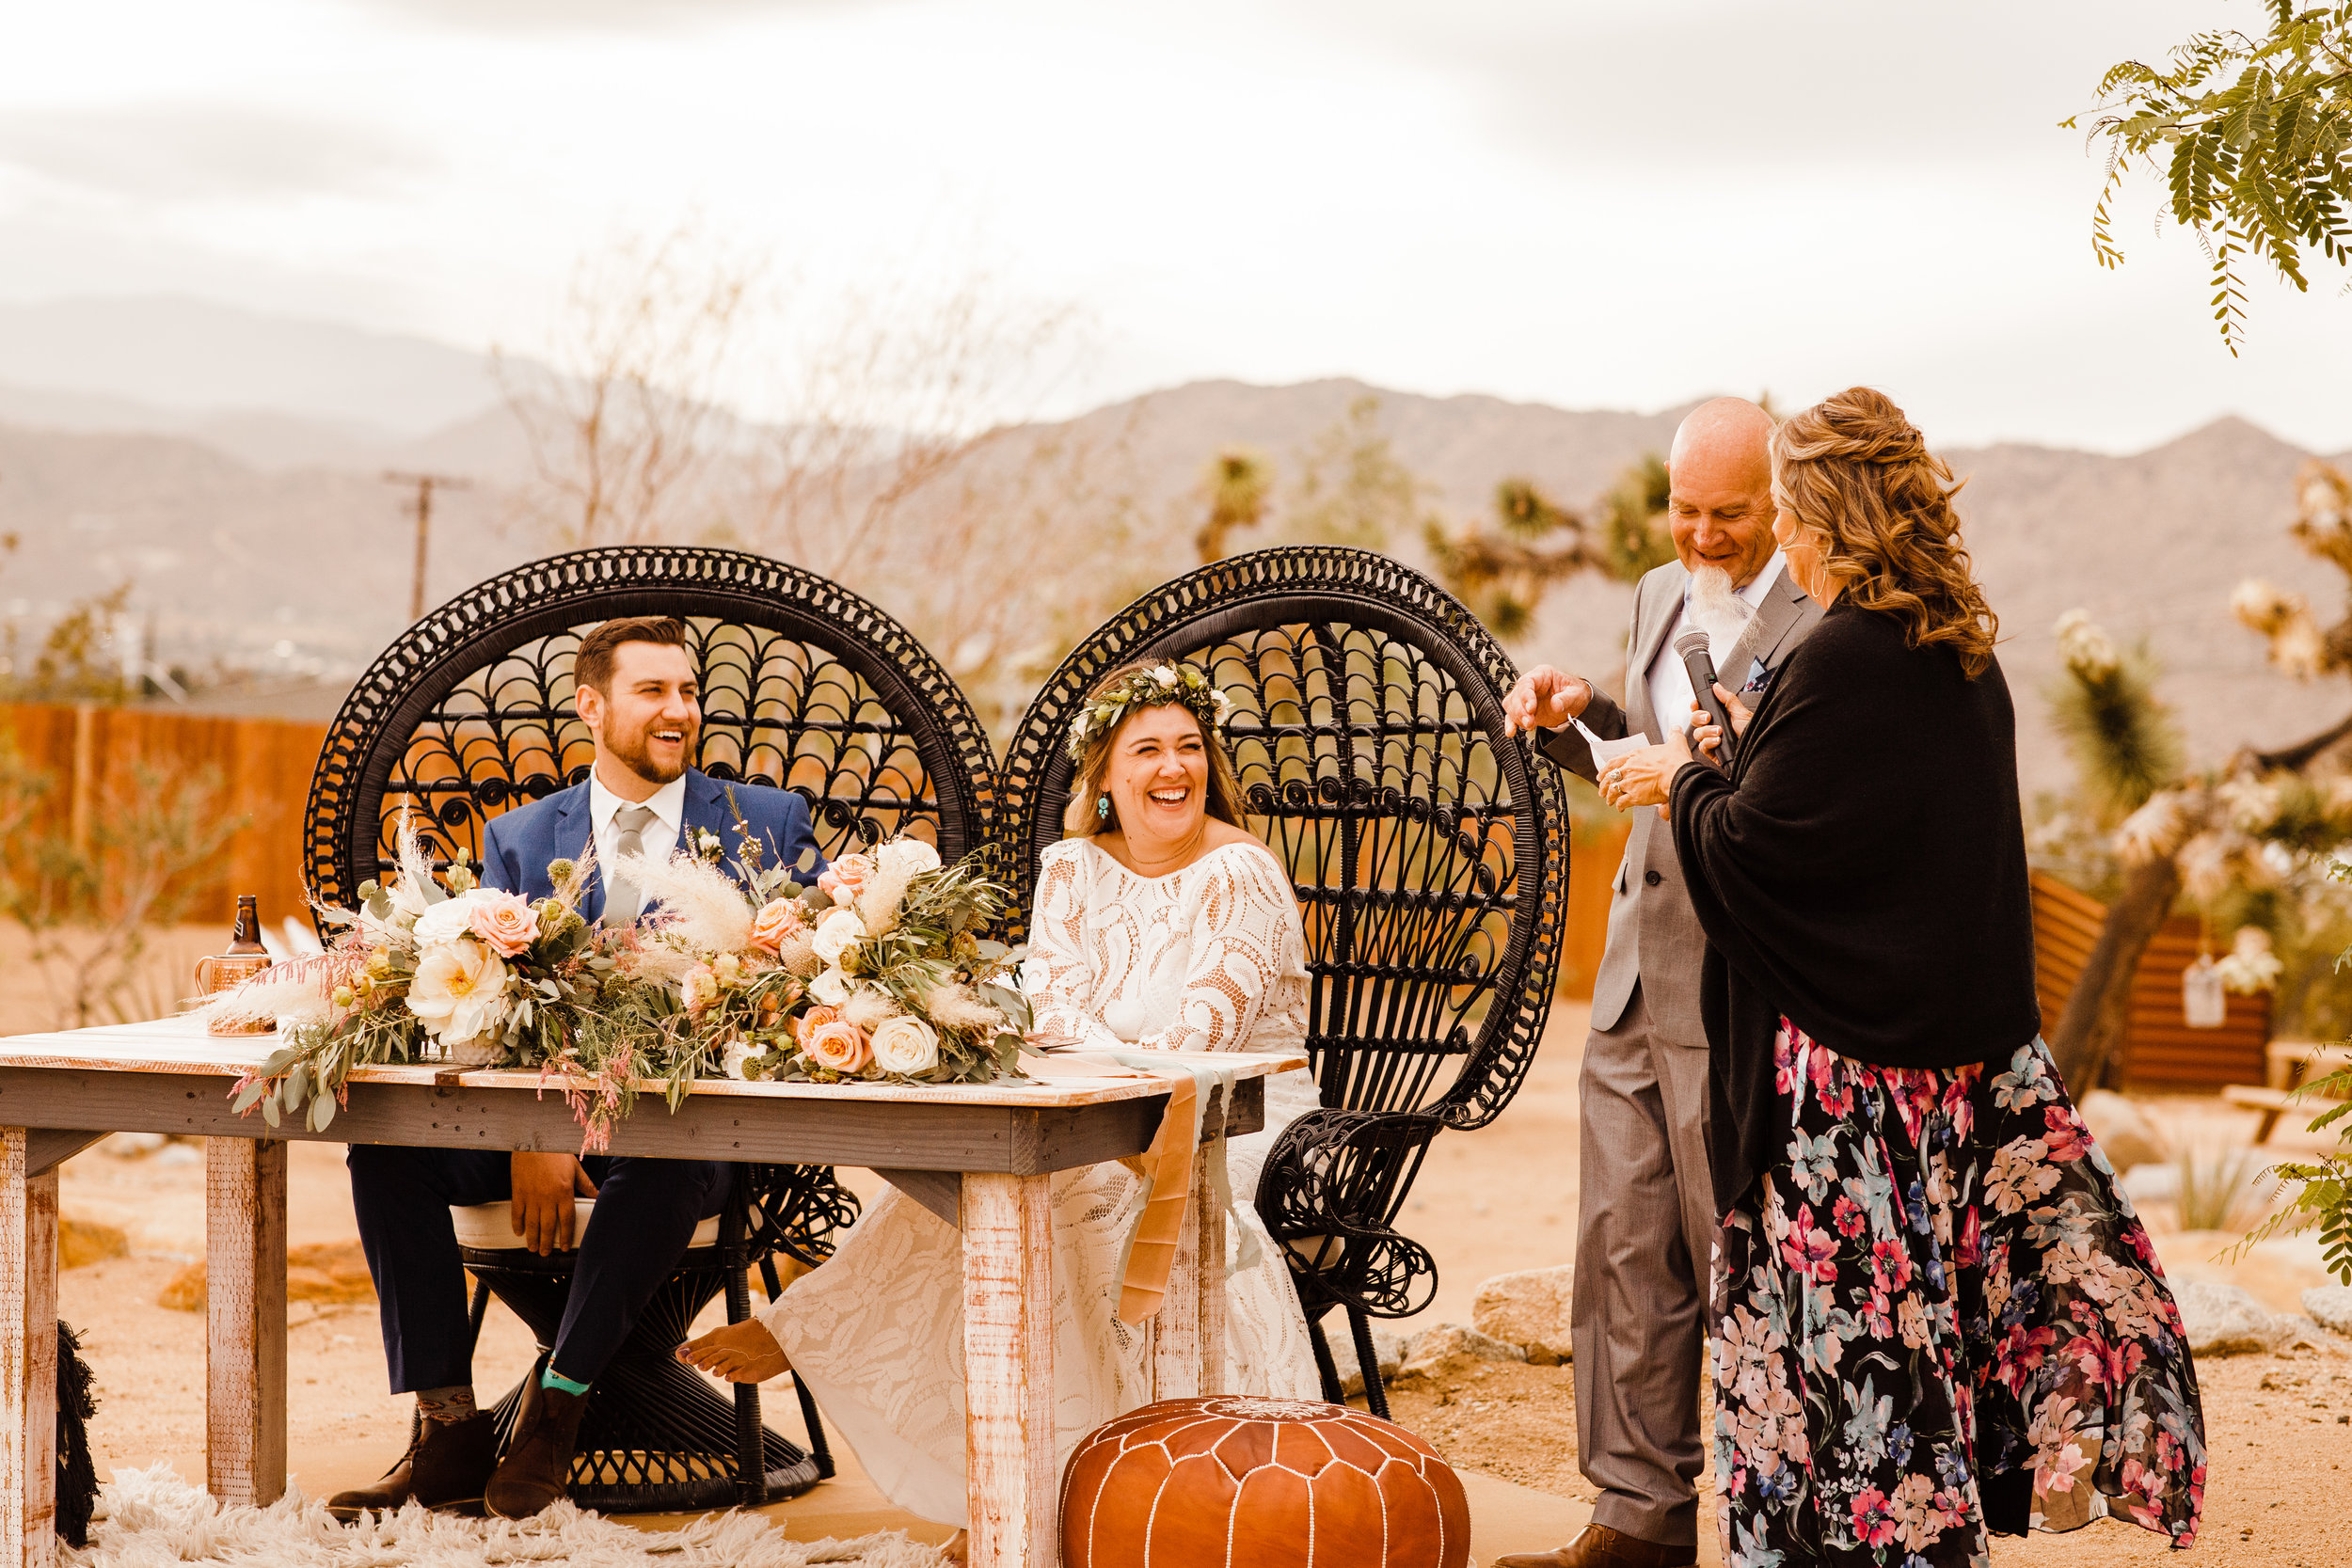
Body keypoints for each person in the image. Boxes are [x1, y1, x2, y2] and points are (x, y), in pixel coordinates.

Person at [1666, 388, 2205, 1559]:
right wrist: (1735, 758)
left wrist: (1683, 779)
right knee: (1899, 1357)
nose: (1785, 541)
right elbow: (1871, 845)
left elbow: (1759, 855)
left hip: (1838, 1103)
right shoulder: (1956, 653)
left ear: (1824, 509)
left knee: (1856, 1388)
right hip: (1932, 1079)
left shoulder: (1845, 656)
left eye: (1792, 510)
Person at [676, 659, 1324, 1549]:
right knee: (1010, 1179)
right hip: (1086, 1098)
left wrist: (1091, 1076)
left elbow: (1198, 1039)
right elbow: (1050, 1008)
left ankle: (1081, 1490)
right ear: (1103, 775)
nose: (1173, 768)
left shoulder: (1239, 874)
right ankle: (1030, 1492)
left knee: (1066, 1191)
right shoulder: (1069, 869)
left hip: (1229, 1118)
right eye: (1147, 750)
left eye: (1188, 747)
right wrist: (1080, 1075)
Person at [328, 614, 825, 1523]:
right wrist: (538, 1132)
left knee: (666, 1158)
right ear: (591, 705)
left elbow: (797, 991)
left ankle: (558, 1407)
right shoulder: (519, 837)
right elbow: (495, 1010)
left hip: (691, 1129)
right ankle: (447, 1423)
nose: (680, 710)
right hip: (545, 1112)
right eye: (654, 691)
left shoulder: (764, 822)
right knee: (384, 1147)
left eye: (688, 690)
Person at [1496, 398, 1821, 1568]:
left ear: (1779, 504)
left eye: (1727, 513)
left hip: (1740, 984)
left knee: (1730, 1254)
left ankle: (1772, 1525)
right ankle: (1635, 1521)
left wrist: (1674, 761)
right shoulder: (1651, 591)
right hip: (1630, 979)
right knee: (1621, 1250)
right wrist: (1577, 713)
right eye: (1684, 510)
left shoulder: (1822, 611)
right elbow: (1644, 747)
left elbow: (1777, 785)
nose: (1701, 534)